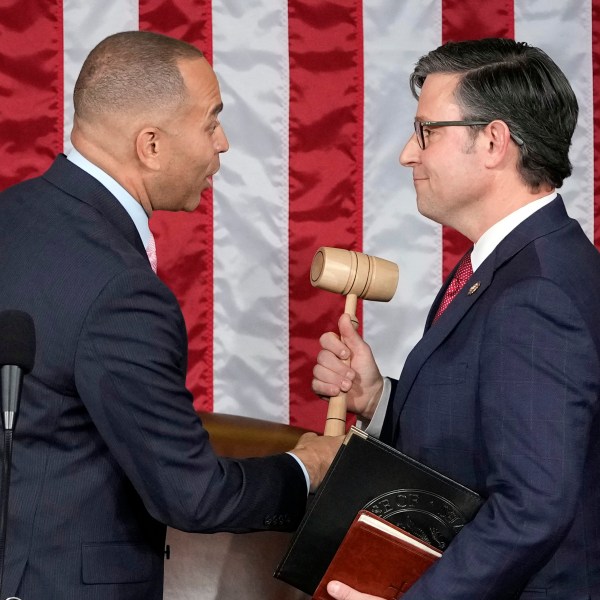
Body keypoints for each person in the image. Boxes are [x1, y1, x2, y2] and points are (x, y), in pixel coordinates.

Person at [0, 31, 342, 600]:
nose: (223, 144)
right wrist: (306, 467)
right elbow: (193, 495)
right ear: (150, 145)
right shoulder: (121, 291)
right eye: (210, 122)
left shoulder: (12, 215)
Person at [312, 38, 600, 599]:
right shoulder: (507, 262)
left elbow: (532, 507)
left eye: (426, 131)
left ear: (492, 141)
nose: (406, 154)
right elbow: (482, 437)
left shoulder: (536, 291)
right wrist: (379, 400)